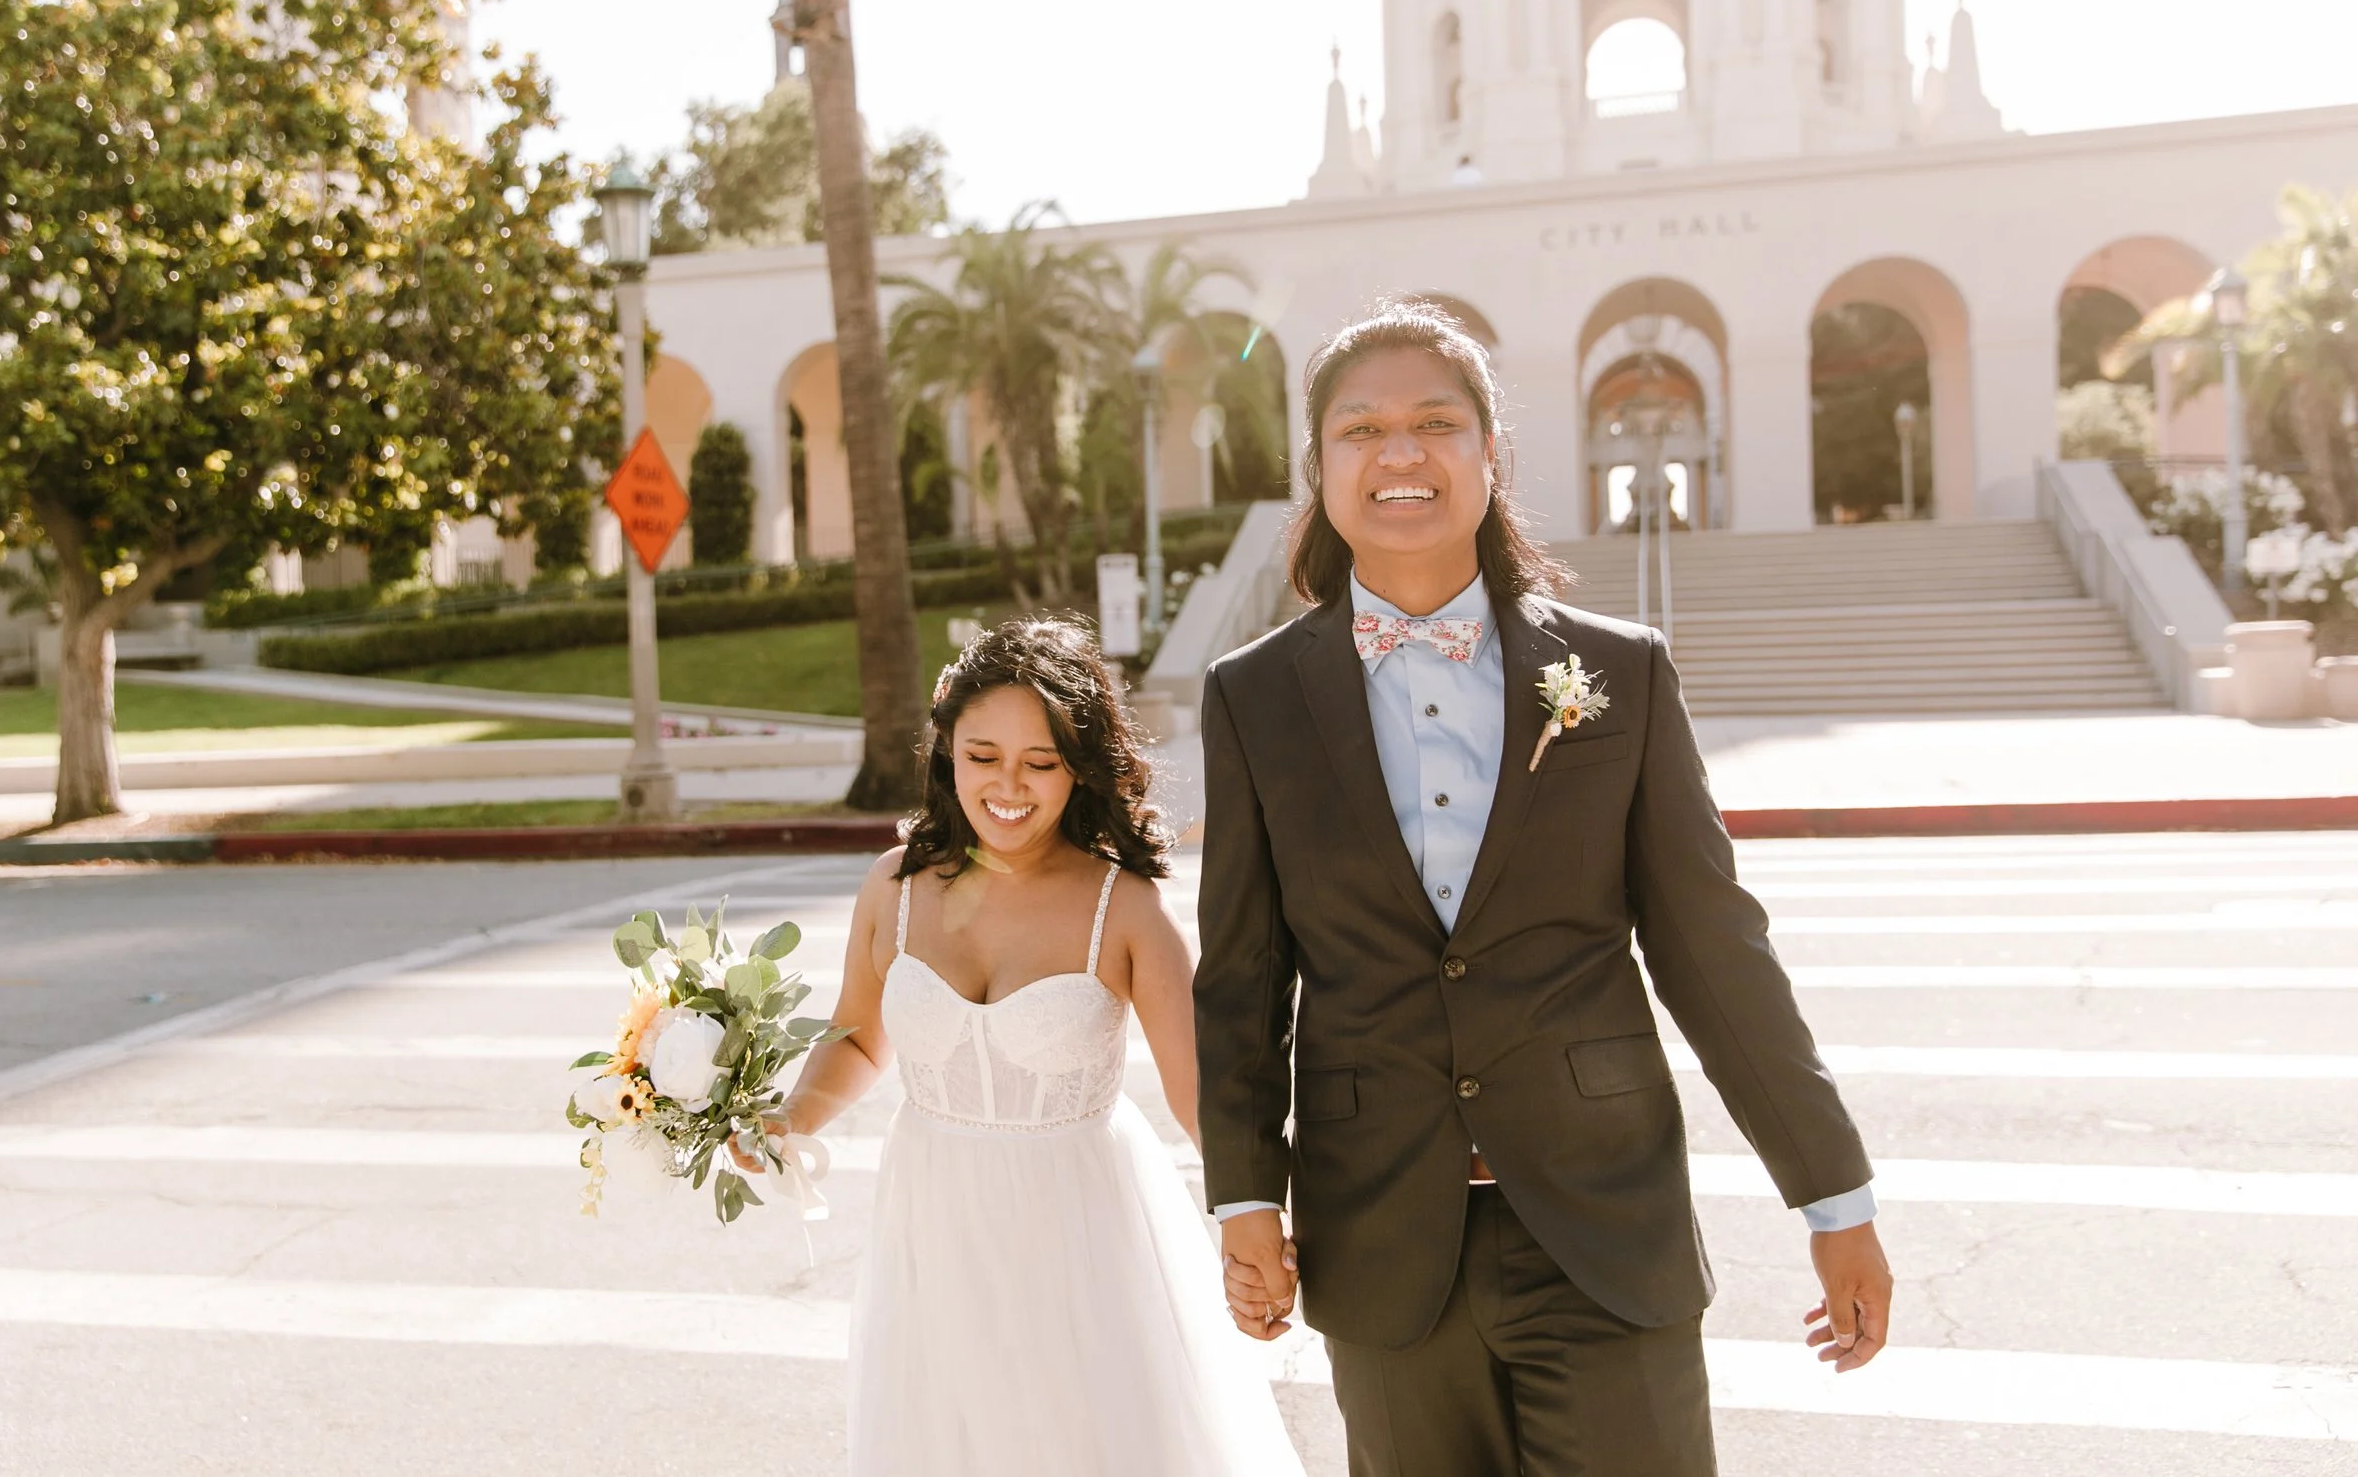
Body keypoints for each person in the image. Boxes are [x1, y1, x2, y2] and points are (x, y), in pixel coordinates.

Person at [1194, 301, 1893, 1475]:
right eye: (1361, 429)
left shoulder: (1616, 670)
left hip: (1604, 1223)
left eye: (1435, 422)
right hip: (1380, 1236)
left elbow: (1715, 953)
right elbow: (1243, 978)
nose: (1400, 453)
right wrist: (1243, 1199)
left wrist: (1832, 1196)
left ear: (1489, 454)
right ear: (1321, 471)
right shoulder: (1250, 695)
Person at [768, 617, 1304, 1477]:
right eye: (983, 755)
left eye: (1039, 761)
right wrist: (790, 1118)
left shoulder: (1123, 909)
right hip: (934, 1229)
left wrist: (1259, 1237)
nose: (1007, 784)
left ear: (1079, 766)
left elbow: (1205, 1095)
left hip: (1082, 1234)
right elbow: (861, 1038)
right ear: (947, 752)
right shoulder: (894, 885)